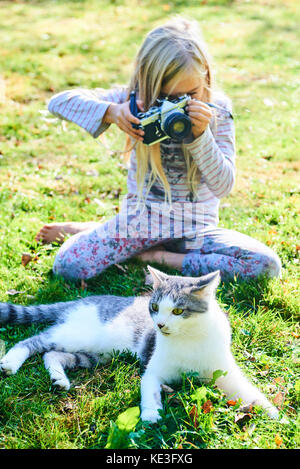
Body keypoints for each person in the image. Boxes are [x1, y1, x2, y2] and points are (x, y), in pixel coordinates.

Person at [36, 17, 281, 281]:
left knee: (266, 267)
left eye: (191, 95)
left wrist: (200, 137)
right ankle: (111, 236)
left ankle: (150, 255)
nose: (180, 107)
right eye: (169, 99)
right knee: (68, 266)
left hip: (195, 229)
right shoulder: (135, 101)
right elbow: (58, 103)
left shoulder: (217, 110)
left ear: (206, 78)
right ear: (150, 87)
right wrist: (111, 112)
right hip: (140, 223)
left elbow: (223, 186)